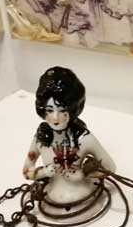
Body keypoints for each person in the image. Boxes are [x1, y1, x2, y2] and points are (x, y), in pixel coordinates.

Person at [21, 67, 116, 206]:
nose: (55, 118)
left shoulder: (84, 138)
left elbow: (110, 167)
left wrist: (83, 173)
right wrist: (43, 172)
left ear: (73, 109)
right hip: (51, 194)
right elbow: (26, 171)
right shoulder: (41, 138)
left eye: (62, 111)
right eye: (49, 110)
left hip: (84, 193)